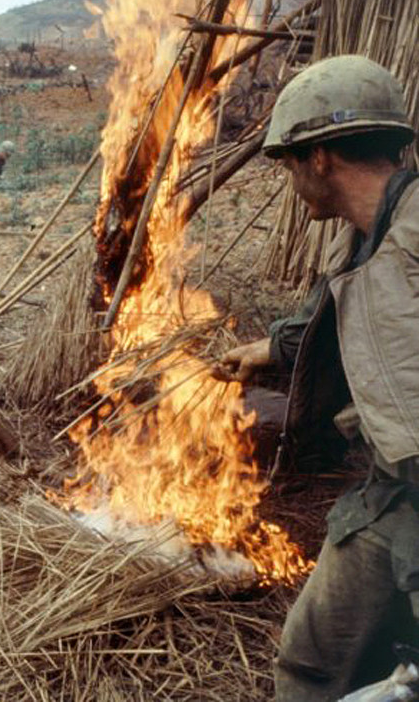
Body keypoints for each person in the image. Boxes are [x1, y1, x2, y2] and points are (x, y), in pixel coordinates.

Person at [219, 55, 419, 701]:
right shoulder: (359, 239)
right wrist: (269, 348)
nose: (290, 180)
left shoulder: (412, 247)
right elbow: (330, 324)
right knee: (310, 663)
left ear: (321, 158)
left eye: (289, 163)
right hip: (392, 492)